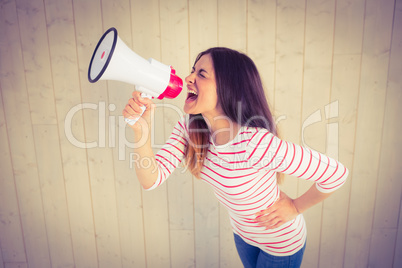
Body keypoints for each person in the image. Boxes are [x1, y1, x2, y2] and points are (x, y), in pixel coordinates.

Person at [123, 47, 349, 268]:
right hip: (243, 237)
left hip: (281, 244)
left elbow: (336, 174)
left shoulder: (255, 143)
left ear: (228, 87)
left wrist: (295, 207)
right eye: (193, 71)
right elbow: (151, 179)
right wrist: (140, 130)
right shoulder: (189, 126)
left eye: (201, 74)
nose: (188, 78)